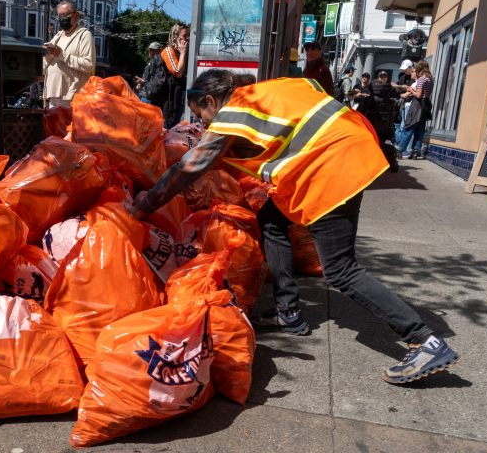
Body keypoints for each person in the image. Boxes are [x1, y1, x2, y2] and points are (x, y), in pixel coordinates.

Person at [129, 70, 460, 384]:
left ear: (212, 101)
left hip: (329, 168)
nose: (200, 121)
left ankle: (425, 341)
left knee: (341, 269)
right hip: (346, 149)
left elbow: (191, 167)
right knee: (272, 221)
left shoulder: (231, 115)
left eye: (199, 112)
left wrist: (144, 204)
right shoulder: (267, 91)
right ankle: (288, 312)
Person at [43, 0, 96, 135]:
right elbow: (46, 63)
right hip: (53, 94)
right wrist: (47, 54)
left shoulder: (84, 35)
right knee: (53, 135)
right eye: (59, 16)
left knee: (69, 135)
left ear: (75, 16)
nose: (62, 19)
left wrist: (62, 55)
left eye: (65, 15)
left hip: (71, 96)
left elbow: (88, 65)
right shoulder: (58, 35)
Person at [360, 70, 399, 172]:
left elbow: (359, 113)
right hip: (386, 131)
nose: (383, 78)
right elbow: (397, 118)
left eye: (384, 76)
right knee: (384, 145)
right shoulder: (392, 101)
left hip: (372, 130)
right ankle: (391, 161)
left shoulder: (369, 100)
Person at [399, 60, 434, 159]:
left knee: (409, 127)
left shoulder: (422, 79)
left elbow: (418, 95)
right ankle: (416, 150)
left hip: (417, 105)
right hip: (426, 104)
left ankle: (400, 149)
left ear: (419, 69)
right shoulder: (430, 78)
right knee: (420, 130)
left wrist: (410, 90)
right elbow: (423, 94)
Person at [160, 22, 189, 128]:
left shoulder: (183, 52)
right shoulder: (168, 51)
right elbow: (178, 72)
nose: (187, 39)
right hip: (168, 101)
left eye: (188, 35)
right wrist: (183, 53)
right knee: (167, 128)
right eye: (184, 36)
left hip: (178, 98)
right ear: (175, 37)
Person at [393, 60, 416, 151]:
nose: (404, 71)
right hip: (404, 103)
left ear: (411, 68)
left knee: (406, 126)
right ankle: (400, 145)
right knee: (400, 126)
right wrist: (401, 88)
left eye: (406, 69)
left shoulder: (414, 78)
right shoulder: (403, 77)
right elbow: (400, 89)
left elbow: (410, 91)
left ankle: (405, 148)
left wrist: (402, 89)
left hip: (411, 103)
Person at [137, 41, 168, 106]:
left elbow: (157, 82)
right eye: (150, 50)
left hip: (150, 98)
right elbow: (148, 77)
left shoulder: (159, 63)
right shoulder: (151, 63)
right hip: (144, 95)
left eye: (153, 50)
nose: (151, 52)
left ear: (159, 51)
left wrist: (143, 82)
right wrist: (140, 84)